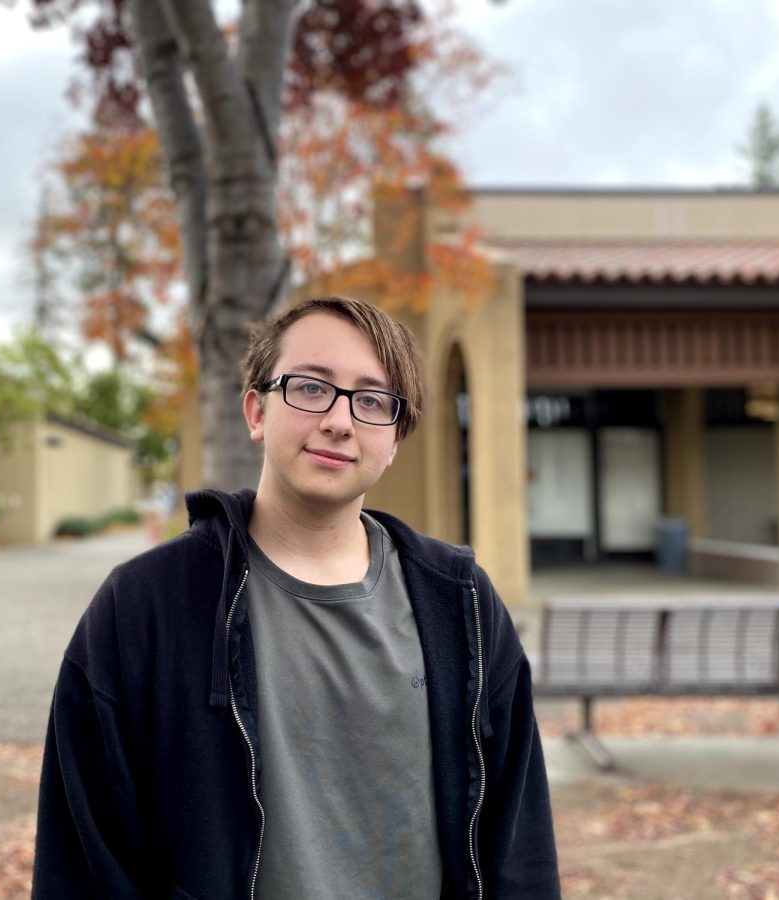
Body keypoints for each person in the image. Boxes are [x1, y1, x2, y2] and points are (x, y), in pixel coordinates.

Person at [32, 296, 560, 899]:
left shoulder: (459, 602)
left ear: (395, 438)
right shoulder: (146, 606)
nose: (340, 421)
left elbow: (520, 847)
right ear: (256, 410)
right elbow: (84, 861)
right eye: (311, 388)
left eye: (372, 401)